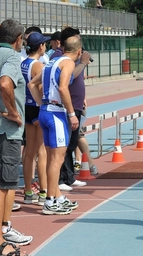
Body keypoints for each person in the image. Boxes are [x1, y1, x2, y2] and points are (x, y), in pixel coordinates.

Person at [28, 36, 82, 215]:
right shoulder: (68, 63)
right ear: (79, 51)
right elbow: (63, 88)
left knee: (53, 158)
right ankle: (50, 201)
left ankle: (57, 197)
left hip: (45, 112)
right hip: (56, 114)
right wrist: (72, 114)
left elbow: (32, 83)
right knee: (57, 160)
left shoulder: (51, 61)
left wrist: (40, 103)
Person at [0, 18, 30, 256]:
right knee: (3, 185)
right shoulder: (11, 58)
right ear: (18, 39)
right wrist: (12, 111)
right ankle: (0, 241)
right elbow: (5, 83)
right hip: (6, 131)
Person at [50, 27, 91, 191]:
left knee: (72, 142)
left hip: (76, 103)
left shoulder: (75, 56)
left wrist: (83, 98)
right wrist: (82, 63)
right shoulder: (60, 57)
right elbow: (70, 77)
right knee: (64, 143)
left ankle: (69, 176)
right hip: (66, 106)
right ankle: (61, 179)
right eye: (76, 40)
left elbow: (78, 78)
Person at [21, 32, 51, 206]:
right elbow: (39, 88)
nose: (45, 47)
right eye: (44, 44)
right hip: (37, 107)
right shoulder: (38, 66)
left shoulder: (23, 63)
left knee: (29, 152)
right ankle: (43, 192)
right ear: (40, 46)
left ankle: (27, 191)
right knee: (42, 152)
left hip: (26, 108)